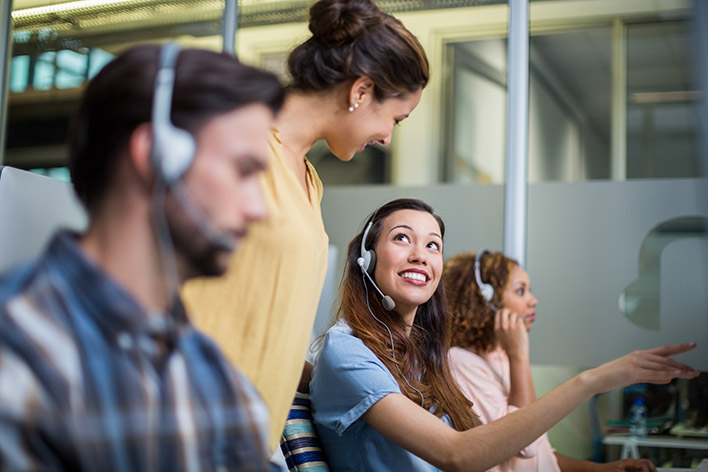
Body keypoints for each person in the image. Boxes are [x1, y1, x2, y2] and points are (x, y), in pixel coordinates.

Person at [0, 43, 285, 471]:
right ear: (157, 156)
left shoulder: (216, 375)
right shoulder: (19, 358)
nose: (259, 208)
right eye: (244, 170)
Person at [181, 0, 430, 448]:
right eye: (395, 118)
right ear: (361, 91)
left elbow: (264, 318)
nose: (388, 137)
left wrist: (338, 381)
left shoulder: (308, 180)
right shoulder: (240, 146)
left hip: (247, 438)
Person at [309, 198, 699, 472]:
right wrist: (593, 381)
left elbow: (502, 446)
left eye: (433, 245)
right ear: (366, 258)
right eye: (402, 238)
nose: (421, 255)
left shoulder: (419, 357)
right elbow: (459, 456)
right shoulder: (348, 350)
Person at [444, 251, 657, 472]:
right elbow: (525, 445)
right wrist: (520, 356)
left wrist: (604, 469)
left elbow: (540, 454)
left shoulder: (501, 357)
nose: (533, 301)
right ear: (484, 301)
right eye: (520, 291)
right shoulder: (462, 363)